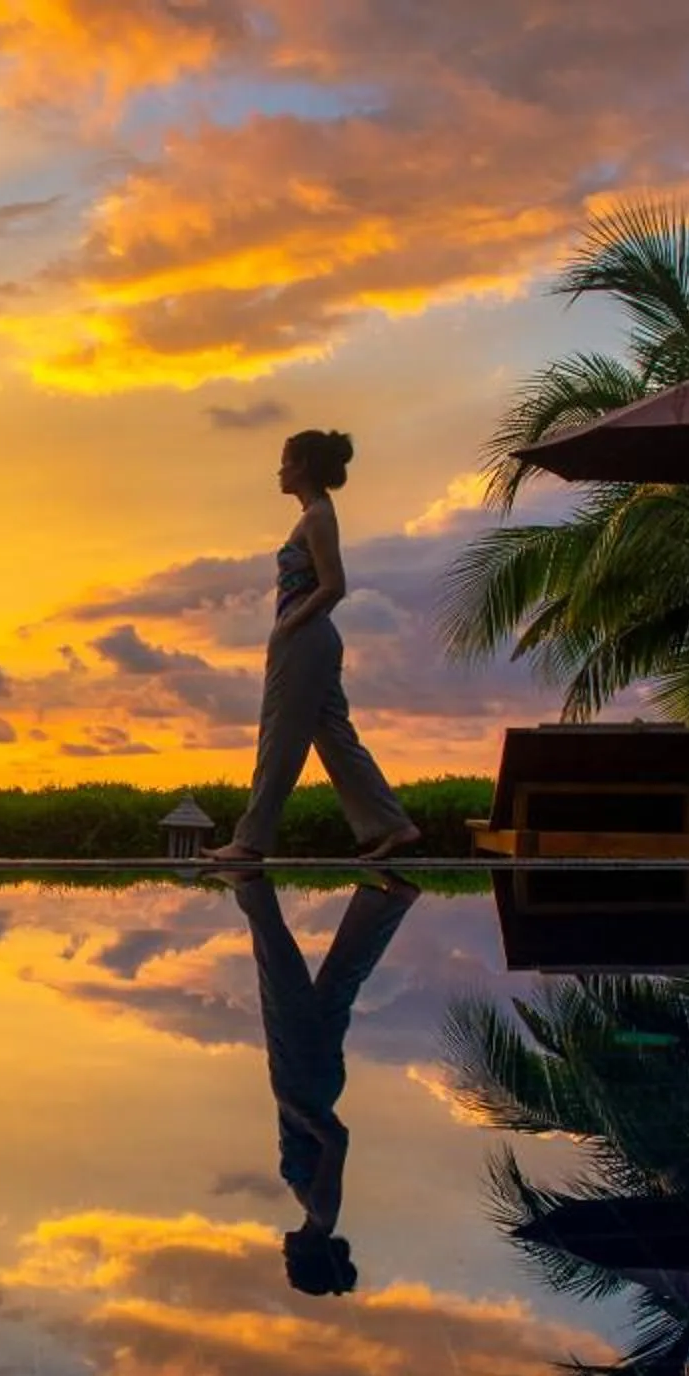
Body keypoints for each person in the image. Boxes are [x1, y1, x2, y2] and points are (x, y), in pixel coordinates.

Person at [203, 429, 418, 863]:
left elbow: (334, 585)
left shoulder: (319, 516)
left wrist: (289, 625)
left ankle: (250, 841)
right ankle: (393, 827)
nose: (279, 470)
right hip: (310, 637)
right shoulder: (313, 514)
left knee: (280, 735)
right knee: (334, 735)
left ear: (302, 466)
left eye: (285, 460)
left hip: (304, 638)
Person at [231, 871, 417, 1296]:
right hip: (305, 1083)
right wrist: (298, 1110)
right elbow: (337, 1141)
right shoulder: (321, 1210)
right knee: (281, 987)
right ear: (308, 1257)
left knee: (334, 987)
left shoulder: (314, 1209)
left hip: (313, 1084)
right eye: (290, 1262)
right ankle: (250, 885)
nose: (284, 1253)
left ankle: (392, 902)